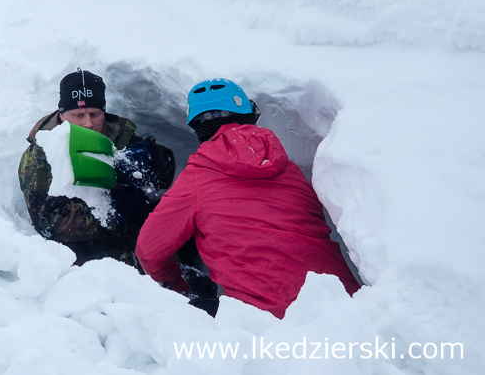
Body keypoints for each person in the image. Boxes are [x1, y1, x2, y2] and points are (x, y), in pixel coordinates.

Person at [135, 79, 360, 318]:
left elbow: (149, 250)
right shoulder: (291, 170)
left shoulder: (197, 178)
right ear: (250, 114)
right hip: (345, 305)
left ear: (197, 127)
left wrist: (179, 285)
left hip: (268, 320)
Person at [18, 69, 174, 265]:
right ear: (63, 115)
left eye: (95, 114)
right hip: (89, 261)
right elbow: (49, 223)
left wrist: (153, 160)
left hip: (141, 243)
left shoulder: (121, 135)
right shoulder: (41, 155)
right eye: (78, 114)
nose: (88, 123)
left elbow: (165, 177)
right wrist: (113, 208)